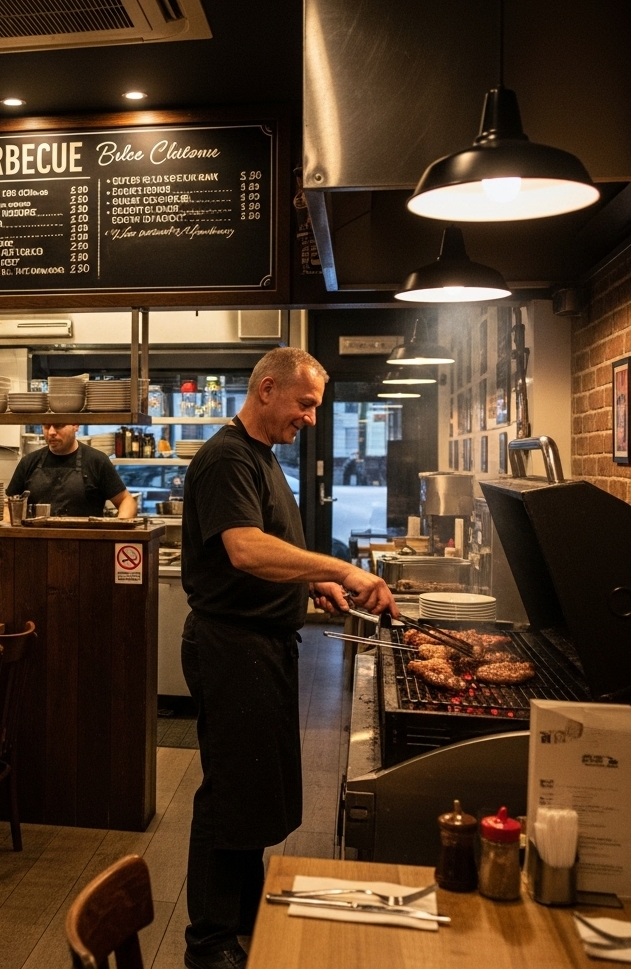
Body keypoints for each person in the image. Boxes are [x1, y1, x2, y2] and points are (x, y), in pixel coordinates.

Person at [180, 347, 397, 969]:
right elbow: (246, 549)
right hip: (231, 646)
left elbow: (269, 547)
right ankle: (209, 941)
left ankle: (244, 915)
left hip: (261, 645)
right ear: (267, 389)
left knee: (251, 788)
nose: (310, 418)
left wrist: (310, 580)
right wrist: (343, 569)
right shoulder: (227, 457)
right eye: (304, 404)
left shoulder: (263, 456)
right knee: (229, 790)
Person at [5, 422, 137, 519]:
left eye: (59, 425)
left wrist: (118, 532)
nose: (51, 432)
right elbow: (8, 505)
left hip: (85, 544)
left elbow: (126, 501)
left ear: (76, 425)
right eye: (46, 426)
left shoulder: (97, 461)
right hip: (38, 543)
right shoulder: (28, 462)